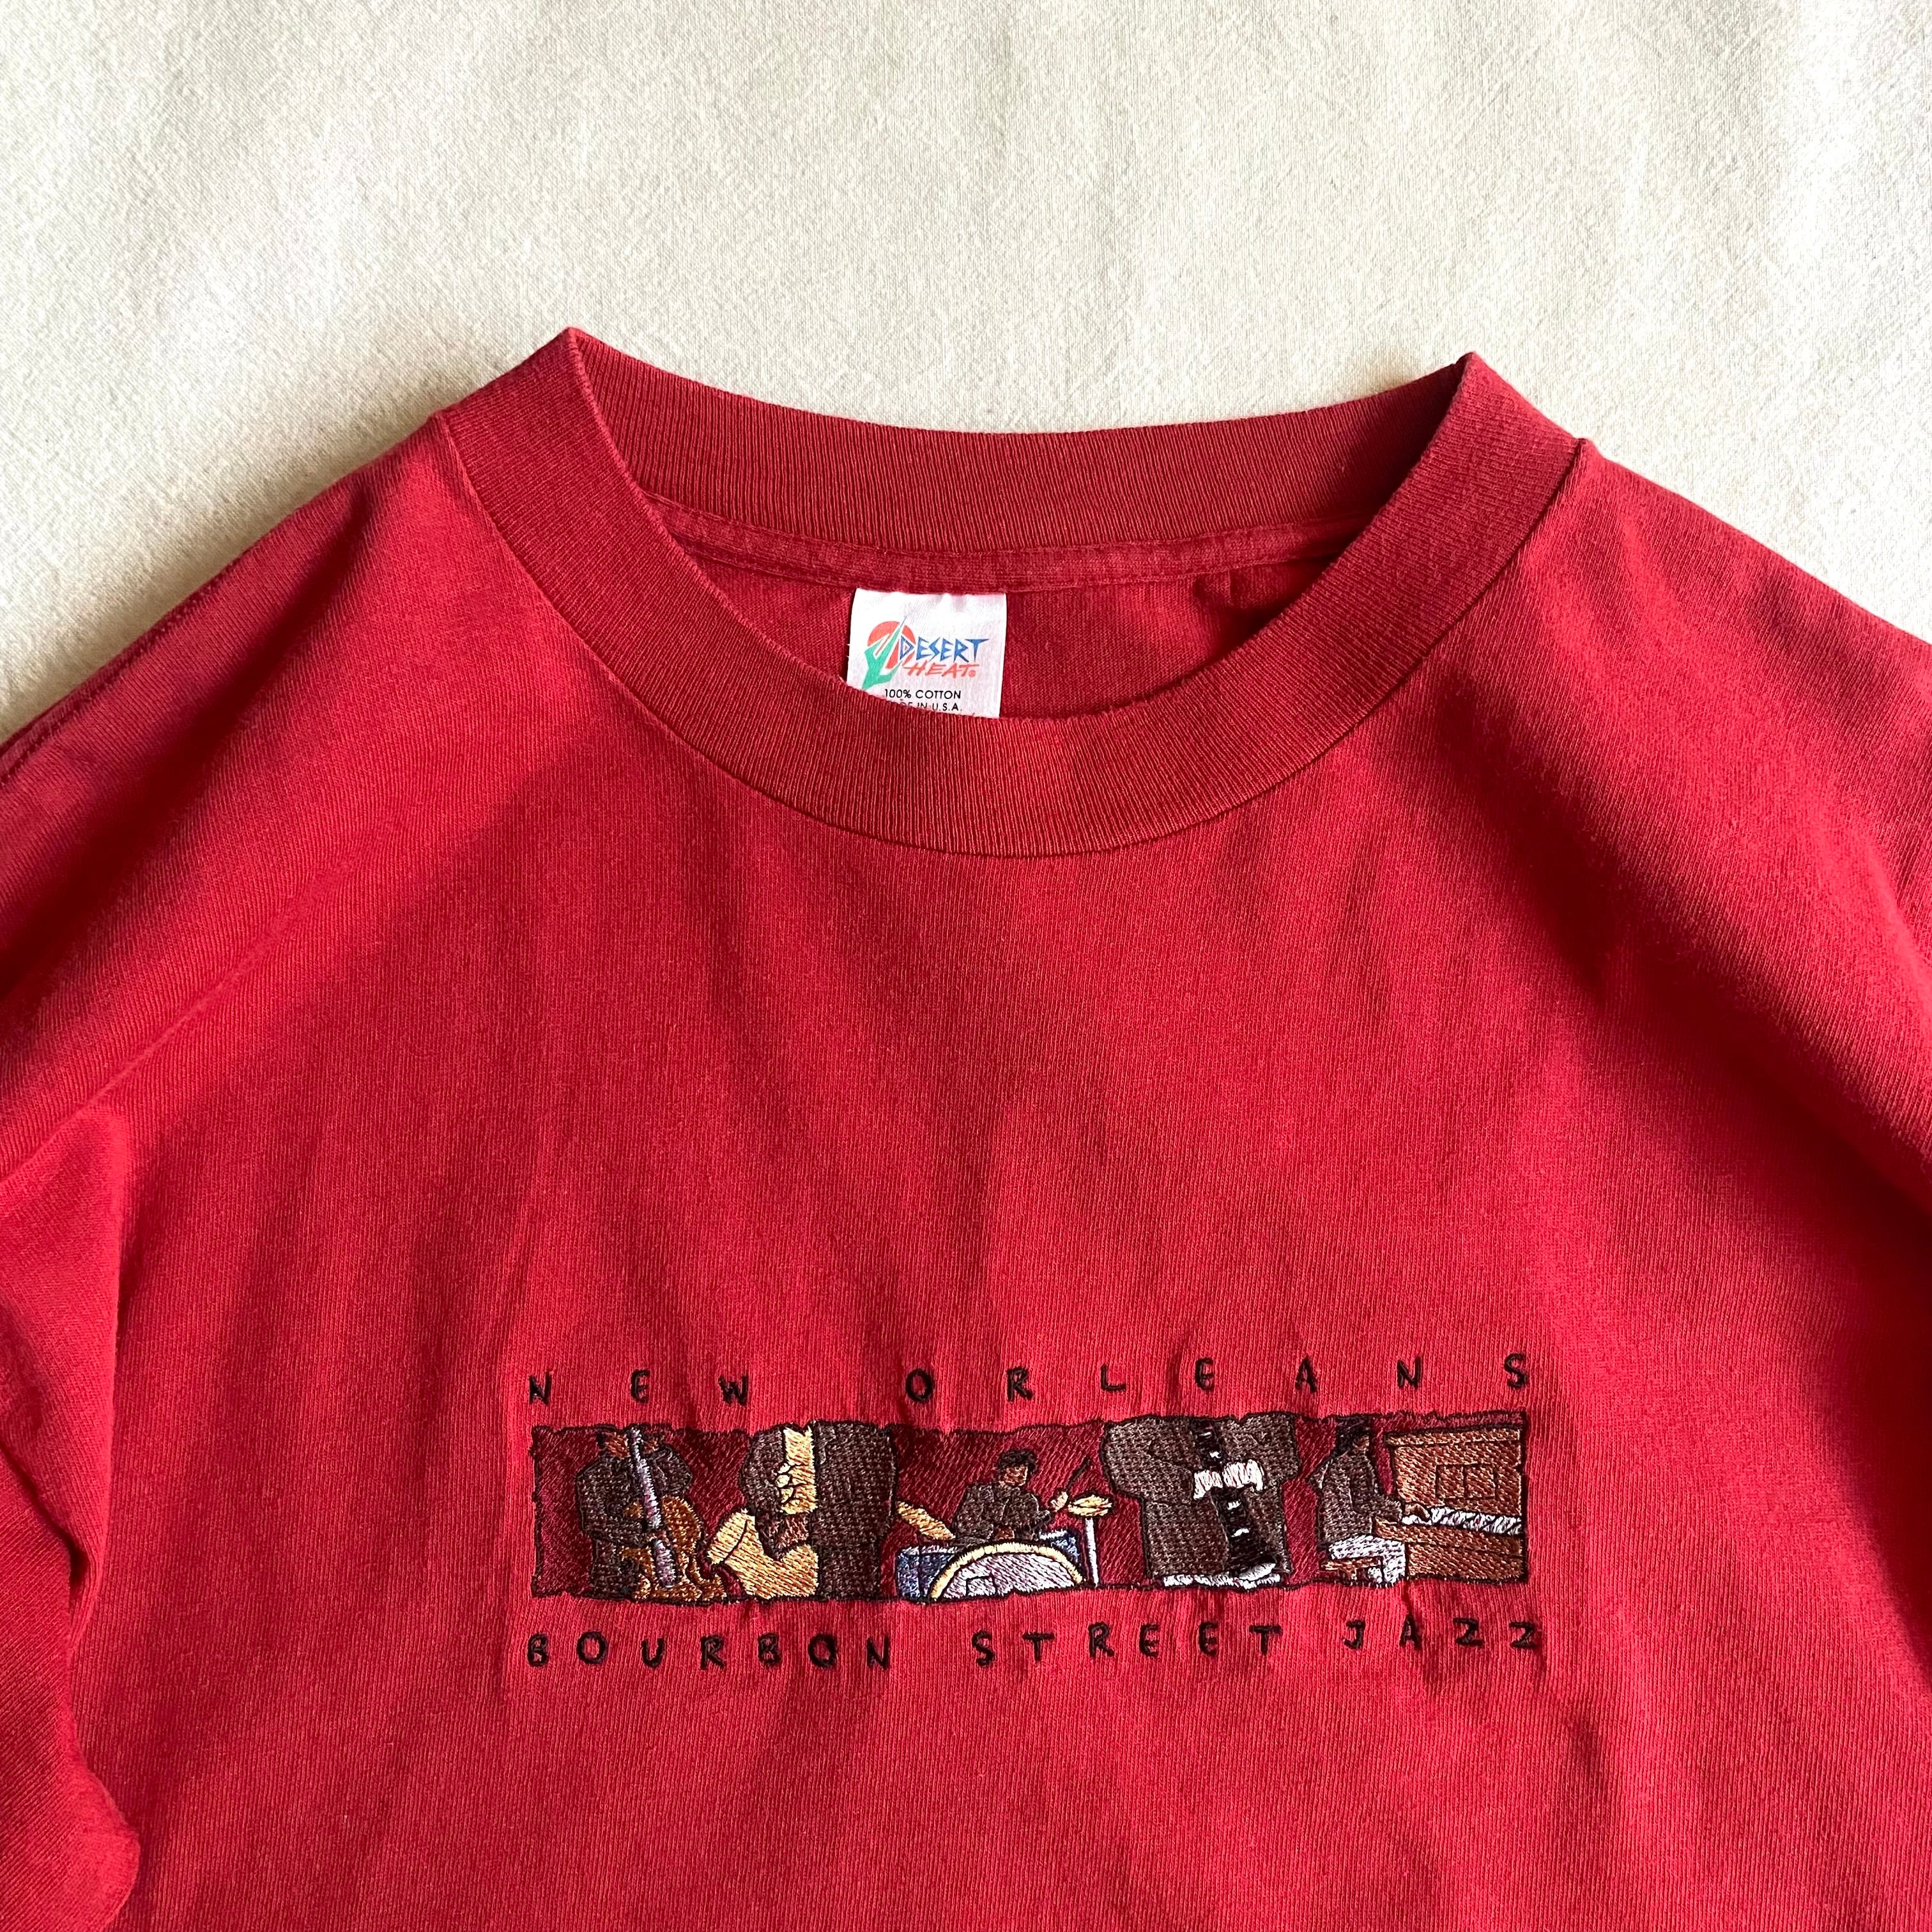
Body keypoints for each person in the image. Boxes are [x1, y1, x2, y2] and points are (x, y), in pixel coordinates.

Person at [1101, 1413, 1300, 1587]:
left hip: (1266, 1560)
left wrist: (1256, 1468)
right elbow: (1123, 1459)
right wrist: (1191, 1483)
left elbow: (1286, 1448)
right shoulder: (1148, 1405)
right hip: (1189, 1563)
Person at [574, 1426, 696, 1599]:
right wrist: (645, 1533)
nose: (633, 1440)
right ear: (609, 1439)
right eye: (624, 1434)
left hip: (668, 1561)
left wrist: (658, 1453)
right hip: (618, 1571)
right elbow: (595, 1523)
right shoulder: (592, 1476)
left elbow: (682, 1480)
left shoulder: (649, 1464)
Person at [1309, 1419, 1408, 1586]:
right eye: (1365, 1439)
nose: (1368, 1444)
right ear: (1354, 1441)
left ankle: (1378, 1585)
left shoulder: (1333, 1462)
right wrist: (1401, 1510)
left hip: (1334, 1542)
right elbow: (1364, 1503)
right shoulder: (1357, 1462)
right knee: (1396, 1548)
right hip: (1350, 1539)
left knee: (1382, 1557)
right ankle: (1390, 1589)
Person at [951, 1447, 1070, 1546]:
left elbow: (1030, 1527)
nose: (1023, 1475)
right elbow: (964, 1526)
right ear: (1003, 1469)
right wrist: (995, 1533)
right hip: (976, 1549)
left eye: (1026, 1471)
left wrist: (1053, 1510)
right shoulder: (978, 1493)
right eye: (1018, 1469)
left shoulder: (1027, 1500)